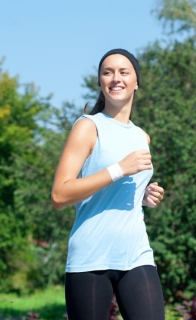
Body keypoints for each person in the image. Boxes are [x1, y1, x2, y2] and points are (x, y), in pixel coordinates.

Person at [51, 48, 165, 320]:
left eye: (124, 72)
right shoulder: (88, 127)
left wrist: (142, 197)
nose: (116, 78)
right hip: (91, 257)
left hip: (136, 254)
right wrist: (119, 169)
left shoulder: (142, 136)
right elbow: (60, 194)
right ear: (100, 81)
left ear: (136, 82)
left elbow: (116, 191)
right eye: (108, 72)